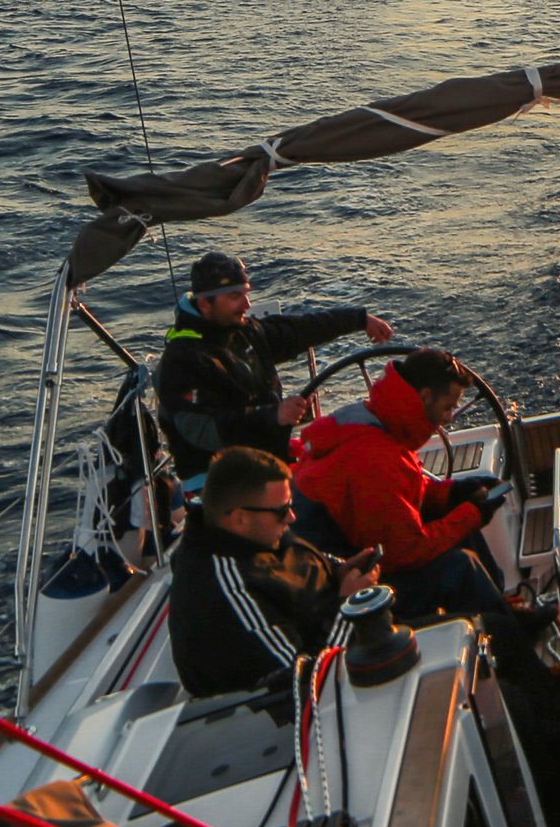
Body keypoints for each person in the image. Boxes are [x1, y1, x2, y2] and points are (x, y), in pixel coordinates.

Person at [290, 348, 515, 627]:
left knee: (459, 519)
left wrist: (453, 494)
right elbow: (404, 553)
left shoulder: (378, 422)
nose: (449, 417)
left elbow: (402, 493)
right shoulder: (374, 456)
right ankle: (507, 635)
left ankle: (503, 609)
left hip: (361, 546)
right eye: (448, 407)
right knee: (459, 568)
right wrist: (473, 513)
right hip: (345, 584)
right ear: (426, 397)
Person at [169, 446, 382, 703]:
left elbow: (303, 562)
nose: (291, 517)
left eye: (290, 505)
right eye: (282, 510)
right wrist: (349, 607)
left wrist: (338, 571)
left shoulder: (260, 533)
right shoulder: (227, 588)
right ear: (239, 518)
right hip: (299, 705)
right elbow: (304, 680)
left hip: (341, 649)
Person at [154, 249, 390, 476]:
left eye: (246, 293)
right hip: (217, 481)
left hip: (266, 463)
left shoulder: (244, 332)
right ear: (205, 303)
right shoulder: (181, 359)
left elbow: (300, 329)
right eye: (235, 296)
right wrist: (273, 416)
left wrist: (359, 319)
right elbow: (201, 431)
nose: (247, 305)